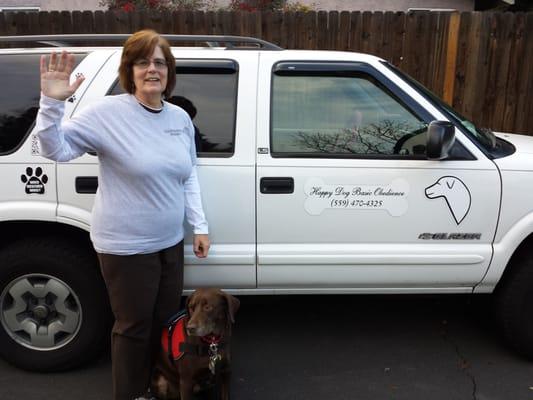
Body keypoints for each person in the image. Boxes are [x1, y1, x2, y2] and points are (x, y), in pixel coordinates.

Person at [35, 29, 210, 400]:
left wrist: (200, 225)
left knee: (165, 324)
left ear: (169, 72)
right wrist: (51, 104)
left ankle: (158, 388)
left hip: (169, 243)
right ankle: (131, 394)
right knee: (133, 329)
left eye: (160, 62)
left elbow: (188, 173)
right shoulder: (107, 114)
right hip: (126, 248)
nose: (152, 69)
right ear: (128, 70)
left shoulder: (178, 118)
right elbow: (54, 149)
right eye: (143, 61)